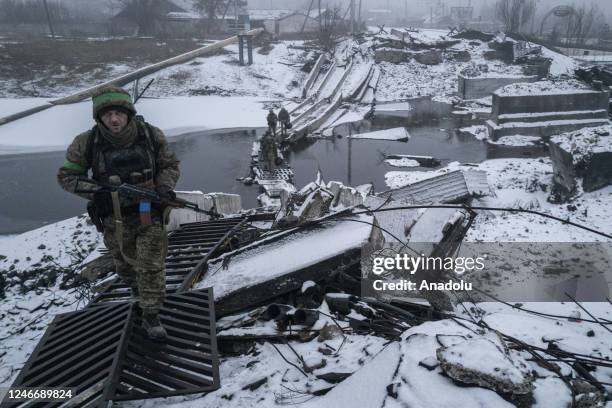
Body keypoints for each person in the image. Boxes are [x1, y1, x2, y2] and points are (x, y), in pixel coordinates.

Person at [57, 85, 180, 341]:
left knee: (150, 265)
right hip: (114, 217)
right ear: (99, 117)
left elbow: (169, 164)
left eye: (119, 113)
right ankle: (138, 291)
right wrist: (98, 193)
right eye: (107, 114)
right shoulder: (86, 142)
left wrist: (165, 187)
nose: (114, 119)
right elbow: (67, 177)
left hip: (147, 211)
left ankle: (151, 315)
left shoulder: (150, 135)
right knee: (124, 266)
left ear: (129, 113)